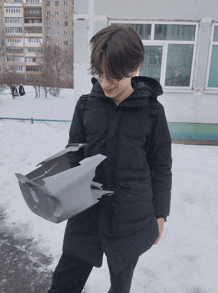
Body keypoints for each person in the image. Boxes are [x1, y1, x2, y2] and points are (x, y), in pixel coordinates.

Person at [48, 25, 172, 293]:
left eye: (113, 77)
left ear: (135, 66)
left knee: (120, 287)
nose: (105, 84)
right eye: (100, 75)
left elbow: (161, 167)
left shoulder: (152, 112)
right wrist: (57, 186)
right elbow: (73, 156)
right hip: (86, 214)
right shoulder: (85, 106)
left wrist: (161, 215)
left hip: (131, 218)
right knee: (64, 283)